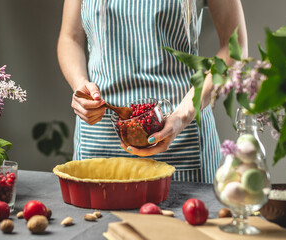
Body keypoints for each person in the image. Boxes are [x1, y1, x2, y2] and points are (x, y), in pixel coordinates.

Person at [57, 0, 248, 182]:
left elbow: (235, 47)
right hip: (99, 137)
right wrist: (80, 85)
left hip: (180, 136)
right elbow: (70, 37)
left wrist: (185, 113)